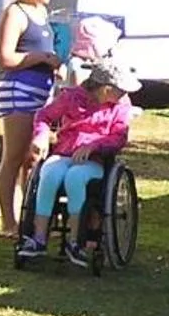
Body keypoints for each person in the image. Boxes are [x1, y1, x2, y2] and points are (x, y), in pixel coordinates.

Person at [16, 59, 138, 260]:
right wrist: (41, 136)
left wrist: (94, 146)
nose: (125, 94)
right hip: (64, 153)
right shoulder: (72, 97)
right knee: (49, 173)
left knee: (75, 177)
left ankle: (76, 240)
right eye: (121, 90)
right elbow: (44, 116)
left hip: (95, 160)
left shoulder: (121, 107)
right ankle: (39, 238)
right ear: (106, 89)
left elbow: (119, 137)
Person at [0, 0, 65, 239]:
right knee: (14, 156)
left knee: (33, 158)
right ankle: (8, 222)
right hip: (19, 91)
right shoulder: (15, 13)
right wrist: (41, 57)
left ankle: (32, 218)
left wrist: (55, 64)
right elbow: (4, 58)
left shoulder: (42, 13)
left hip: (43, 91)